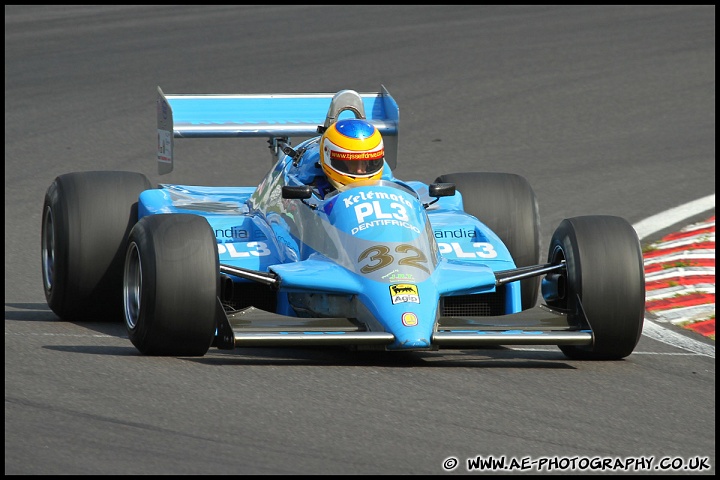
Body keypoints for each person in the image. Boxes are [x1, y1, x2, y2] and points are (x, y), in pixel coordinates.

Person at [318, 118, 385, 191]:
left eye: (366, 162)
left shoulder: (388, 182)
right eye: (353, 162)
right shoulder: (312, 192)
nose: (360, 170)